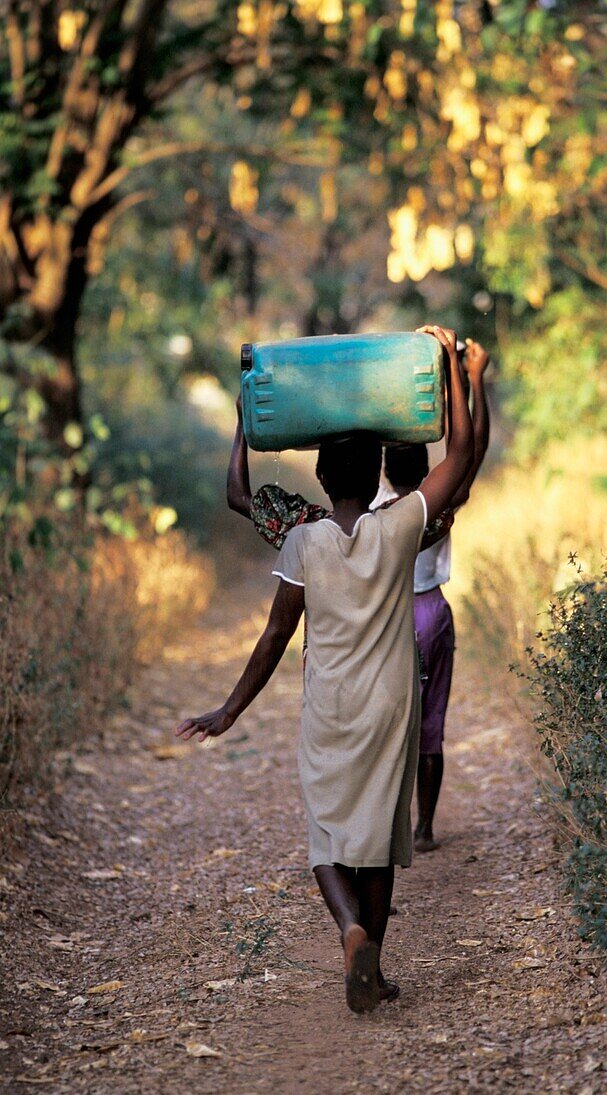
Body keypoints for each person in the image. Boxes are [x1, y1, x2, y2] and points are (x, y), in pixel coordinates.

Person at [176, 324, 474, 1013]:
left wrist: (229, 709)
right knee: (379, 833)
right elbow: (459, 454)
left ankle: (351, 932)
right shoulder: (398, 526)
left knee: (326, 836)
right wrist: (458, 370)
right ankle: (373, 965)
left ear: (319, 477)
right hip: (391, 702)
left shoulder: (304, 542)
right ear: (375, 477)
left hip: (330, 705)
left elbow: (275, 636)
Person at [376, 341, 490, 853]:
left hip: (390, 615)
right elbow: (471, 452)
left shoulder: (371, 509)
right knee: (432, 722)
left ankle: (387, 825)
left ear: (381, 468)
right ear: (426, 468)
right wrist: (471, 379)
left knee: (389, 722)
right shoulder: (433, 504)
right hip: (433, 611)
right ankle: (424, 828)